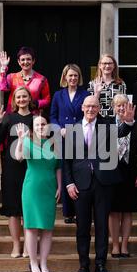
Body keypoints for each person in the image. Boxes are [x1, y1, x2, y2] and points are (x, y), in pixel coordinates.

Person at [64, 95, 135, 272]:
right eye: (87, 106)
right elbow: (66, 161)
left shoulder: (106, 125)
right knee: (82, 227)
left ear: (99, 109)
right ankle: (84, 265)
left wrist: (129, 122)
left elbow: (121, 131)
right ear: (82, 108)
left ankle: (101, 264)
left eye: (94, 107)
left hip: (103, 183)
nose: (90, 110)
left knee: (102, 226)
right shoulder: (73, 129)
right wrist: (69, 183)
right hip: (80, 184)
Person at [15, 116, 61, 272]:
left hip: (49, 188)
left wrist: (60, 186)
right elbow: (19, 157)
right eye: (37, 124)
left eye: (43, 124)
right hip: (32, 188)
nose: (41, 126)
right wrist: (20, 140)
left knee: (47, 228)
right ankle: (33, 263)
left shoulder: (54, 143)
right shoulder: (28, 141)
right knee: (32, 226)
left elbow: (58, 167)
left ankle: (44, 263)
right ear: (33, 127)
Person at [0, 86, 34, 258]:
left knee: (28, 209)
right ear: (14, 100)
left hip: (31, 167)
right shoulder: (8, 118)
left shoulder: (37, 118)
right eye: (18, 97)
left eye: (24, 96)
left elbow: (44, 143)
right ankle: (16, 245)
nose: (22, 99)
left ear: (30, 98)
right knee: (13, 209)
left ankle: (28, 246)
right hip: (11, 169)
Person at [50, 64, 90, 224]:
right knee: (65, 169)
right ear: (65, 77)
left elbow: (88, 114)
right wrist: (59, 129)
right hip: (62, 138)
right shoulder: (58, 95)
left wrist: (76, 128)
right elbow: (52, 116)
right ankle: (68, 212)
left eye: (75, 76)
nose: (73, 78)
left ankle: (80, 209)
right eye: (70, 75)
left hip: (79, 136)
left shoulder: (85, 94)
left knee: (78, 170)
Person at [109, 94, 137, 258]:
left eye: (124, 105)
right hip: (112, 172)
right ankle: (115, 245)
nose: (121, 108)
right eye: (118, 105)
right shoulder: (108, 124)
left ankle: (125, 246)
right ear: (113, 108)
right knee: (114, 212)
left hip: (131, 172)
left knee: (128, 211)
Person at [0, 47, 51, 115]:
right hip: (13, 114)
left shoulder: (42, 79)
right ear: (19, 62)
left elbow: (47, 100)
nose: (25, 62)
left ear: (33, 61)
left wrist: (36, 103)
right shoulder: (12, 77)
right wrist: (3, 68)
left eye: (28, 59)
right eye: (23, 60)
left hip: (33, 115)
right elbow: (3, 88)